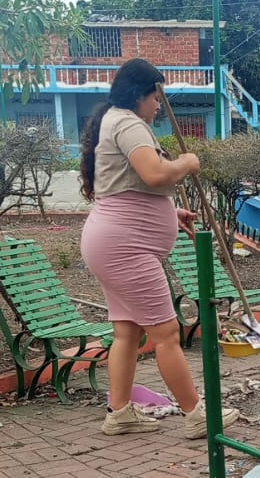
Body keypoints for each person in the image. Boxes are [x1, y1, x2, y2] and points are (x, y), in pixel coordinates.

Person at [79, 57, 239, 438]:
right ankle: (197, 414)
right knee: (166, 333)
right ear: (140, 94)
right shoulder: (128, 123)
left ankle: (119, 413)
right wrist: (187, 162)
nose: (157, 106)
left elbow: (129, 187)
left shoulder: (117, 121)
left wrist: (169, 212)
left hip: (112, 241)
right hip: (126, 247)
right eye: (155, 98)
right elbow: (153, 173)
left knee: (127, 331)